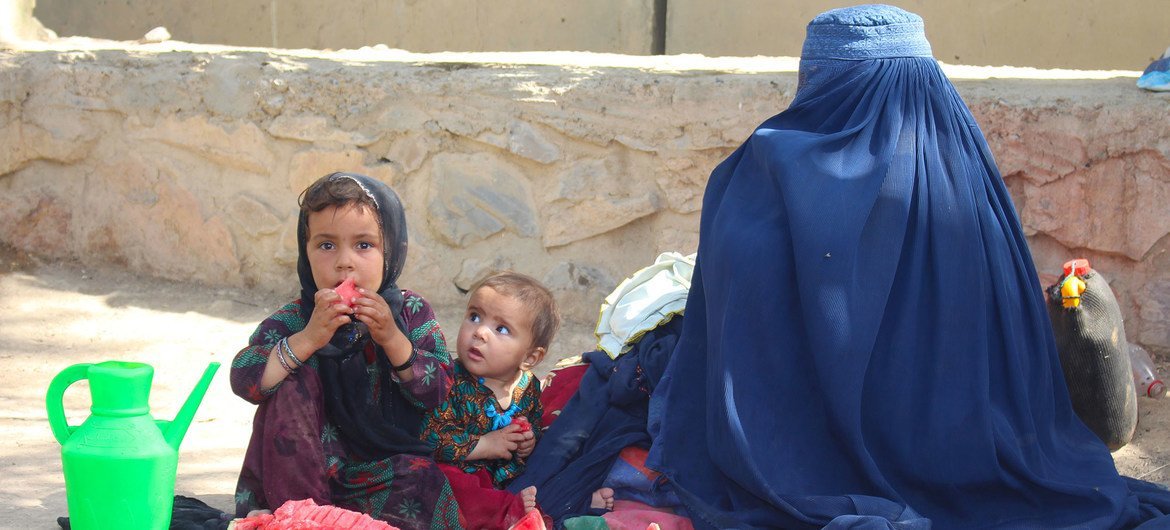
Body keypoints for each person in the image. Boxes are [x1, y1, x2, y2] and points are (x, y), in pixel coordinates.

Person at [645, 5, 1170, 530]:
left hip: (793, 463)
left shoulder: (756, 177)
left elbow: (735, 364)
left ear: (815, 78)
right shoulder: (966, 176)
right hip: (973, 459)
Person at [230, 172, 463, 529]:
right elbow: (245, 379)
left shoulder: (410, 313)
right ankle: (305, 520)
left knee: (423, 481)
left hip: (377, 472)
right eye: (326, 245)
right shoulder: (296, 320)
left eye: (364, 245)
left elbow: (438, 393)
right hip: (300, 478)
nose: (344, 262)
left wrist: (392, 338)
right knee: (291, 381)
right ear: (305, 253)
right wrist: (307, 340)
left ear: (391, 250)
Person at [420, 271, 589, 529]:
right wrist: (485, 444)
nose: (479, 333)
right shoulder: (450, 380)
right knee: (449, 482)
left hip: (502, 478)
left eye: (501, 329)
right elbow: (431, 437)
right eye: (474, 316)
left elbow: (532, 422)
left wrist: (527, 442)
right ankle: (510, 514)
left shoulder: (528, 387)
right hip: (460, 472)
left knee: (549, 474)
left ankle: (581, 504)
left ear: (530, 358)